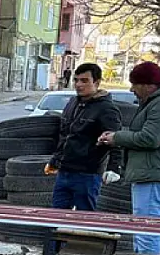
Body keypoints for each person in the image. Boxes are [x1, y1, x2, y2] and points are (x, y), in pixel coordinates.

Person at [99, 61, 160, 255]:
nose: (131, 89)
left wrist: (117, 138)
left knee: (147, 232)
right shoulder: (156, 102)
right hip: (151, 175)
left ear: (147, 84)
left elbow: (151, 138)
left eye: (134, 84)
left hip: (155, 177)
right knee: (143, 231)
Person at [45, 63, 123, 211]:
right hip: (64, 171)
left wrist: (114, 168)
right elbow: (64, 135)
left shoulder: (106, 109)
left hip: (87, 174)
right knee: (56, 217)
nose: (79, 84)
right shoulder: (72, 103)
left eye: (85, 80)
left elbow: (116, 139)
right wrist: (54, 160)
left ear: (97, 82)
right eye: (76, 80)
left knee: (84, 220)